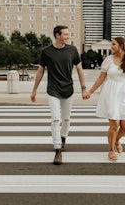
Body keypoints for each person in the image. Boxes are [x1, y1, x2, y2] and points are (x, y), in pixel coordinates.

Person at [31, 25, 88, 165]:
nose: (68, 37)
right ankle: (58, 150)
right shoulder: (46, 51)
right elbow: (40, 71)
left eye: (68, 34)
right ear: (57, 35)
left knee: (66, 119)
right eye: (65, 34)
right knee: (56, 119)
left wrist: (84, 88)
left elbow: (79, 69)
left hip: (68, 89)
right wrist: (34, 90)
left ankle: (63, 138)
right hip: (53, 90)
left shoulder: (72, 50)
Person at [86, 37, 125, 161]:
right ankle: (111, 150)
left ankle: (117, 140)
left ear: (121, 45)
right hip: (111, 92)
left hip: (124, 93)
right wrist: (90, 92)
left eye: (113, 44)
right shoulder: (108, 60)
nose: (111, 47)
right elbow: (101, 78)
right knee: (114, 124)